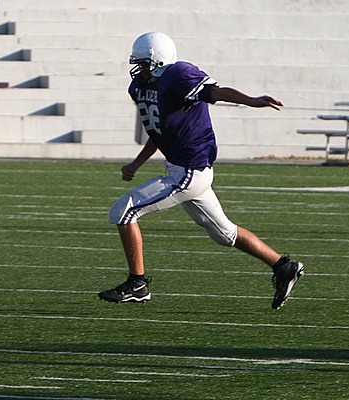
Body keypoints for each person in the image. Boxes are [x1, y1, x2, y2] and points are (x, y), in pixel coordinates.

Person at [98, 32, 303, 310]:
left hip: (189, 171)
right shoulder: (141, 86)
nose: (139, 69)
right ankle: (283, 267)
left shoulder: (180, 74)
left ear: (159, 61)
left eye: (144, 63)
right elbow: (159, 130)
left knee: (124, 212)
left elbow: (216, 92)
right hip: (184, 170)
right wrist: (137, 163)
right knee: (225, 234)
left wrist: (251, 100)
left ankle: (138, 283)